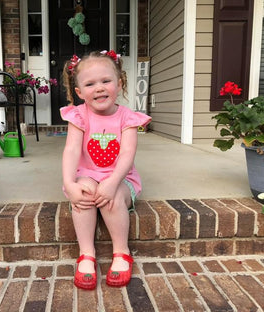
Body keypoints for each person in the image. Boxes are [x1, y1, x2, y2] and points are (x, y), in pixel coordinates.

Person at [61, 50, 151, 290]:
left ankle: (121, 252)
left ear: (119, 84)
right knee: (83, 194)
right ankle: (87, 254)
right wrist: (70, 183)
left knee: (111, 198)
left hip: (121, 179)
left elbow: (126, 154)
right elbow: (71, 150)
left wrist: (112, 183)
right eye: (90, 84)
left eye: (106, 81)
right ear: (79, 92)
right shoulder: (78, 115)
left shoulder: (127, 118)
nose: (99, 88)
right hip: (87, 175)